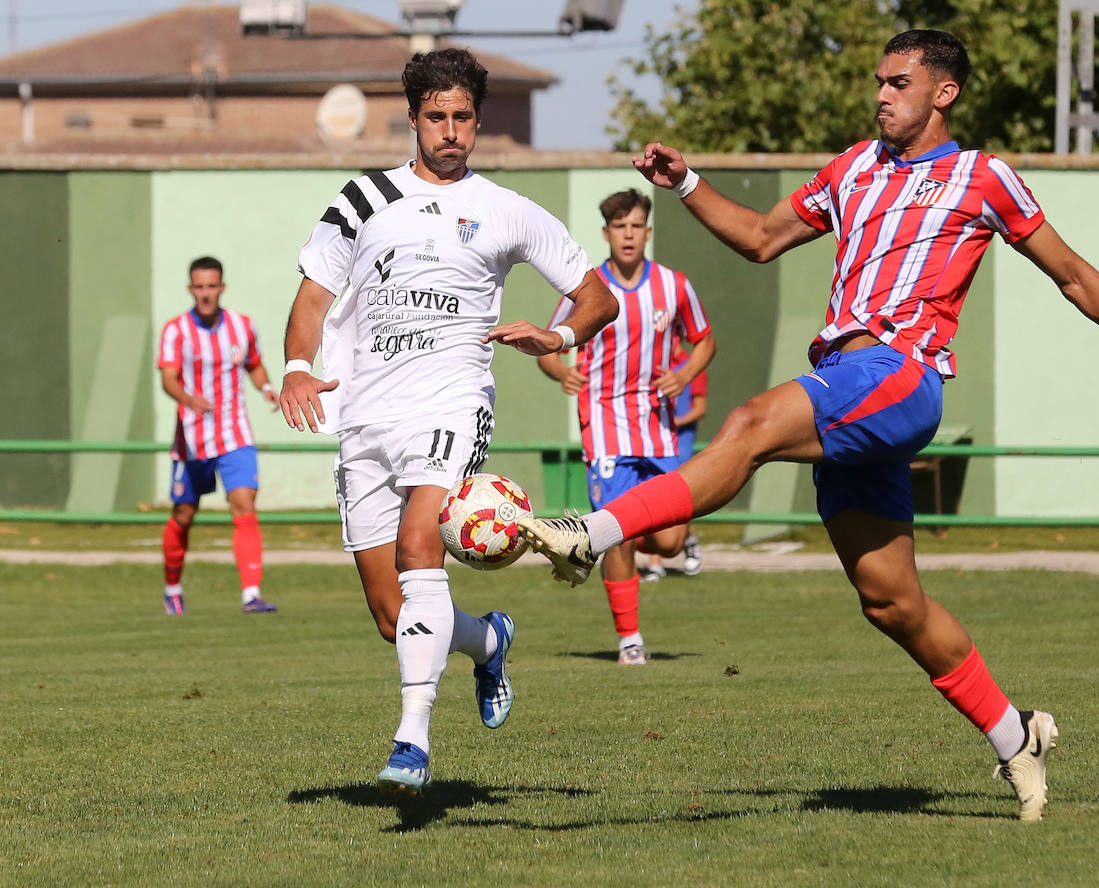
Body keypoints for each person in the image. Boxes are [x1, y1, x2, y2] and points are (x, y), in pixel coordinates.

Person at [519, 29, 1099, 821]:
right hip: (848, 383)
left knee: (748, 422)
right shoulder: (853, 168)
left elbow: (1075, 276)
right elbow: (760, 238)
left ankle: (592, 534)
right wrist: (687, 182)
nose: (881, 94)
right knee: (891, 603)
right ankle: (1017, 734)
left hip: (900, 376)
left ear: (943, 92)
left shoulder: (983, 178)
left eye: (898, 82)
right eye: (878, 81)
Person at [278, 48, 617, 795]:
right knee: (387, 612)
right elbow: (310, 300)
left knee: (418, 539)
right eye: (438, 116)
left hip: (452, 403)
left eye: (463, 117)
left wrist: (557, 336)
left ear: (478, 121)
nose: (451, 130)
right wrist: (299, 365)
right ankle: (488, 639)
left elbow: (598, 298)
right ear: (413, 119)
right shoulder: (362, 198)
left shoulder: (506, 210)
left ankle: (412, 739)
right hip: (366, 415)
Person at [536, 188, 715, 664]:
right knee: (621, 532)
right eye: (620, 227)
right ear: (607, 234)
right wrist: (562, 371)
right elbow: (552, 347)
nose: (629, 234)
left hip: (657, 428)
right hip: (607, 426)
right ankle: (629, 639)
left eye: (636, 226)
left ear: (648, 232)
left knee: (670, 540)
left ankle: (595, 546)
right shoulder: (588, 288)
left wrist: (685, 374)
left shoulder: (674, 286)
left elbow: (704, 341)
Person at [157, 256, 279, 616]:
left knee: (244, 504)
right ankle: (172, 589)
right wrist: (187, 399)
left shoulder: (242, 327)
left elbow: (253, 363)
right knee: (183, 514)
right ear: (190, 289)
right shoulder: (176, 330)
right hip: (192, 437)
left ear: (222, 287)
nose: (206, 293)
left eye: (212, 286)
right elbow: (168, 377)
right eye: (199, 286)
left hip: (235, 433)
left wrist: (267, 388)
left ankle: (251, 594)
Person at [645, 340, 708, 581]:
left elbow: (700, 408)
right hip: (653, 444)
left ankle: (689, 540)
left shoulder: (692, 367)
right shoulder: (651, 366)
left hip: (679, 446)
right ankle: (655, 564)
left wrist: (675, 422)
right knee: (652, 500)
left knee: (675, 504)